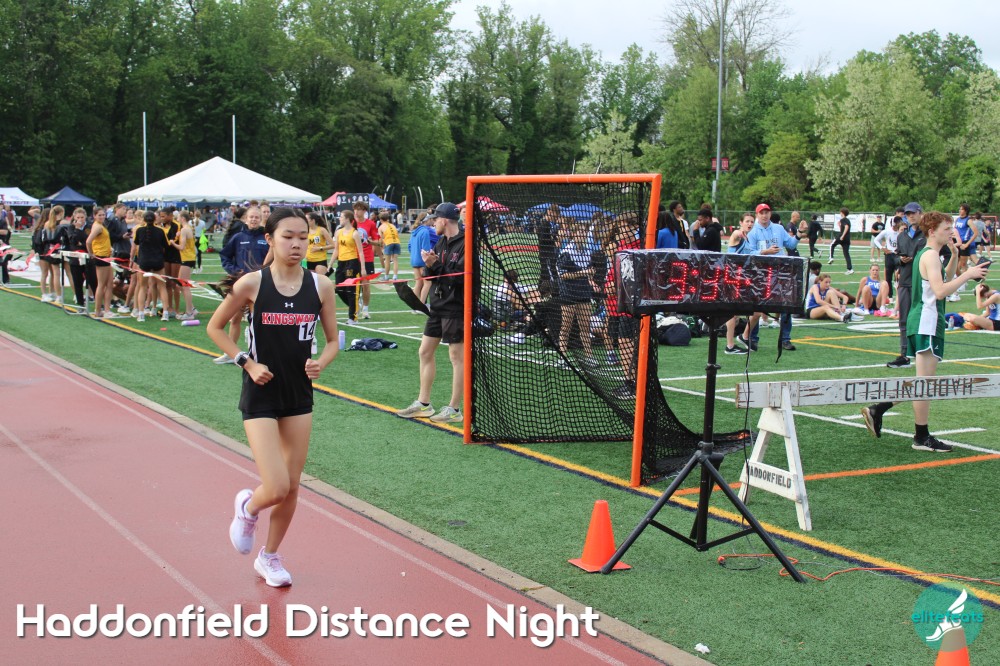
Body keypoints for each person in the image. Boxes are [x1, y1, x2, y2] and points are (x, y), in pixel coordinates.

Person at [208, 207, 339, 587]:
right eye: (288, 237)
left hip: (298, 393)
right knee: (277, 485)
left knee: (293, 485)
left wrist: (321, 362)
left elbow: (333, 341)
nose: (297, 244)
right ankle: (248, 508)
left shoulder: (321, 286)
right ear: (270, 239)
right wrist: (247, 363)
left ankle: (269, 557)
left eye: (303, 237)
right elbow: (215, 328)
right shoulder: (252, 284)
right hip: (261, 393)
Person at [861, 211, 990, 453]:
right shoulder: (930, 255)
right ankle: (919, 435)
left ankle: (881, 410)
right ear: (932, 231)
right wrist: (968, 274)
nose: (951, 232)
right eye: (946, 229)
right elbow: (940, 291)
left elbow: (943, 278)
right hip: (927, 321)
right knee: (925, 384)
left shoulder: (930, 254)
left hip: (925, 321)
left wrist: (954, 256)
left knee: (923, 382)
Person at [396, 202, 466, 424]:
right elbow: (432, 275)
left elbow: (459, 279)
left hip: (456, 307)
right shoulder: (441, 242)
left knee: (456, 357)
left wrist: (434, 266)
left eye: (435, 219)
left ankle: (454, 409)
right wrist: (428, 265)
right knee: (425, 351)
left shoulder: (465, 244)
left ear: (444, 220)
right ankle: (424, 404)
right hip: (437, 306)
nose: (433, 223)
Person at [741, 203, 799, 351]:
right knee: (757, 307)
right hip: (761, 273)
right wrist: (765, 252)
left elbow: (791, 244)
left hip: (780, 271)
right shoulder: (752, 232)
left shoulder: (779, 228)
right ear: (757, 215)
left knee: (786, 305)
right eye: (761, 213)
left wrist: (799, 234)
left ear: (770, 213)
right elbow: (749, 253)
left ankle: (785, 339)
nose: (764, 215)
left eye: (766, 212)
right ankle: (752, 339)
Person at [216, 205, 269, 361]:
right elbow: (225, 256)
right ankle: (230, 353)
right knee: (235, 318)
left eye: (257, 217)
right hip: (240, 284)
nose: (254, 220)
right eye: (251, 217)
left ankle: (261, 354)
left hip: (260, 285)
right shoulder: (238, 237)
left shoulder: (266, 238)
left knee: (260, 320)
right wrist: (234, 271)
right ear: (246, 219)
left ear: (261, 219)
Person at [888, 202, 926, 368]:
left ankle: (923, 352)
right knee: (904, 320)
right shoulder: (902, 236)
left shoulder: (927, 234)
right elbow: (895, 257)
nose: (910, 216)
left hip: (922, 283)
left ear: (920, 213)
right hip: (905, 281)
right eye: (908, 214)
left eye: (913, 213)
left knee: (922, 320)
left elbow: (943, 255)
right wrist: (900, 260)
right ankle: (904, 354)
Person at [131, 211, 169, 323]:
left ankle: (141, 313)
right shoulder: (160, 231)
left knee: (142, 287)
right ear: (155, 219)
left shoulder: (139, 230)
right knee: (162, 286)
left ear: (144, 219)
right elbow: (166, 245)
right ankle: (165, 313)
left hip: (144, 261)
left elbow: (136, 243)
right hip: (158, 260)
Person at [332, 209, 366, 325]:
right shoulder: (338, 232)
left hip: (352, 262)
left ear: (347, 219)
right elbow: (336, 250)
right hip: (341, 262)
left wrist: (363, 268)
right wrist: (330, 264)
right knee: (339, 288)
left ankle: (353, 317)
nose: (339, 218)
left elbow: (360, 252)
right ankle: (355, 305)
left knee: (351, 290)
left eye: (341, 217)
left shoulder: (355, 233)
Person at [86, 206, 115, 317]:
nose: (102, 217)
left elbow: (101, 240)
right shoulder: (97, 227)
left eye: (103, 215)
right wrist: (91, 253)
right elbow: (88, 241)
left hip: (106, 256)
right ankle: (98, 310)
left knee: (109, 284)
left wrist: (109, 248)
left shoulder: (101, 225)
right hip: (101, 256)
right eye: (99, 215)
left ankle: (106, 309)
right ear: (94, 216)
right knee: (102, 284)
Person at [353, 201, 380, 319]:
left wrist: (370, 241)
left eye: (359, 209)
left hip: (367, 257)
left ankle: (365, 309)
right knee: (353, 284)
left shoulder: (370, 224)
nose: (356, 211)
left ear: (364, 211)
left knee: (365, 284)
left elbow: (378, 242)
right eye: (355, 209)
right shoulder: (351, 223)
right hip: (353, 256)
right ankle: (355, 305)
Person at [408, 210, 439, 305]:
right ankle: (422, 305)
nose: (432, 221)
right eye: (430, 219)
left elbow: (409, 246)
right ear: (427, 220)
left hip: (414, 260)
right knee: (427, 283)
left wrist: (415, 254)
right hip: (422, 261)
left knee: (418, 283)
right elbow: (426, 249)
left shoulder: (414, 231)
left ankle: (414, 305)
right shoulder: (425, 231)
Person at [305, 212, 334, 276]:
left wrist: (319, 248)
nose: (305, 221)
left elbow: (333, 245)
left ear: (313, 220)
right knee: (312, 280)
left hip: (320, 260)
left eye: (307, 219)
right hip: (309, 260)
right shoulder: (306, 230)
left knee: (320, 279)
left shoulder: (322, 230)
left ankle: (327, 272)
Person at [828, 207, 853, 273]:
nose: (840, 213)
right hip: (847, 238)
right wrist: (839, 226)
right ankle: (850, 269)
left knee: (832, 245)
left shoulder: (843, 219)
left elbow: (846, 227)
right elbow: (844, 228)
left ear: (842, 213)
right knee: (846, 254)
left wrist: (842, 236)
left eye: (840, 212)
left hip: (842, 237)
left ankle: (831, 257)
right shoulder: (847, 220)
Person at [378, 211, 401, 281]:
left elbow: (381, 238)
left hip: (388, 243)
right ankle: (395, 276)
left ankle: (386, 276)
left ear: (381, 219)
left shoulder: (381, 227)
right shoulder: (393, 225)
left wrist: (381, 246)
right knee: (395, 260)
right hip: (397, 242)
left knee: (387, 260)